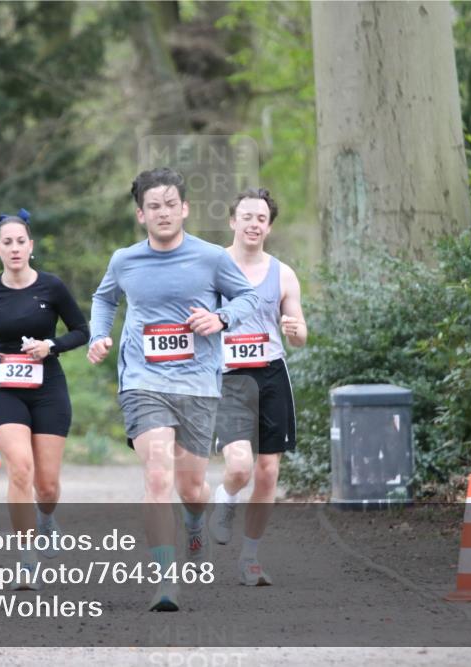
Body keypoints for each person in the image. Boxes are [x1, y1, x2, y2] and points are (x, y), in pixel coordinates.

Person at [88, 167, 259, 611]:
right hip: (144, 381)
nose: (162, 213)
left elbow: (249, 299)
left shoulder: (211, 258)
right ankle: (166, 580)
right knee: (158, 474)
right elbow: (104, 299)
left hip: (199, 385)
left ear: (184, 208)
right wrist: (98, 335)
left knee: (192, 487)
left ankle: (195, 518)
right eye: (153, 207)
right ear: (141, 214)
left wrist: (221, 319)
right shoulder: (124, 260)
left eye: (170, 204)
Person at [0, 208, 89, 586]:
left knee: (46, 486)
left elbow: (81, 330)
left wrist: (52, 345)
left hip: (48, 388)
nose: (14, 249)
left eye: (20, 242)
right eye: (6, 243)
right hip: (6, 389)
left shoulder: (52, 287)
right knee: (20, 470)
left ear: (31, 246)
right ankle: (26, 558)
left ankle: (46, 517)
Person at [207, 188, 307, 586]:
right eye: (246, 216)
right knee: (239, 467)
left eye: (261, 218)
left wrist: (297, 330)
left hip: (271, 373)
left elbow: (299, 334)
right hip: (229, 376)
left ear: (269, 226)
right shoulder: (211, 267)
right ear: (233, 221)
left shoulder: (283, 273)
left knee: (267, 472)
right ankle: (225, 499)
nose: (253, 224)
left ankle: (250, 558)